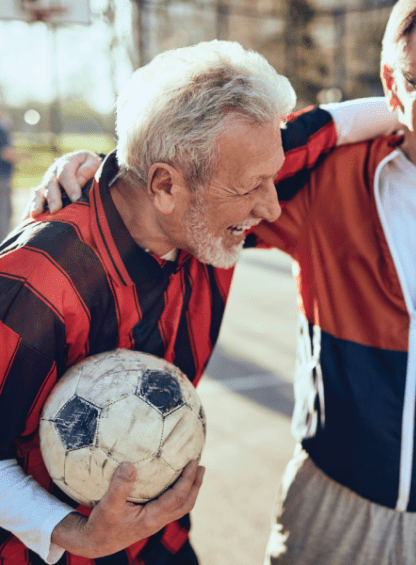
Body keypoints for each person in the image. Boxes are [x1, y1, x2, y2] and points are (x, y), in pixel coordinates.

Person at [32, 10, 416, 565]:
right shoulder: (327, 177)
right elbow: (194, 180)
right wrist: (102, 168)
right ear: (392, 82)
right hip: (332, 507)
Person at [0, 39, 376, 565]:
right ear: (164, 186)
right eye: (254, 187)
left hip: (166, 547)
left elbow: (342, 123)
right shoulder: (37, 279)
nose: (270, 206)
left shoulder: (222, 170)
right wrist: (69, 532)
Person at [0, 112, 17, 241]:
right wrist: (24, 158)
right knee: (4, 213)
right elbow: (6, 153)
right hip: (2, 177)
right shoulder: (2, 129)